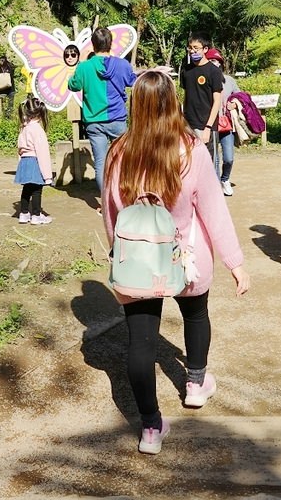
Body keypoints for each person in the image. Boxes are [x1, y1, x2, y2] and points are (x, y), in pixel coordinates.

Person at [102, 70, 250, 455]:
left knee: (140, 342)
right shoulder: (191, 149)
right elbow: (214, 210)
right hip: (186, 256)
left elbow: (111, 213)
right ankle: (196, 385)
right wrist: (235, 262)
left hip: (137, 260)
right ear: (174, 103)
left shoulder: (119, 152)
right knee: (196, 315)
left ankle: (151, 427)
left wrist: (118, 254)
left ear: (134, 105)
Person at [68, 27, 137, 193]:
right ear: (111, 44)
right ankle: (122, 197)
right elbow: (132, 81)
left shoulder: (84, 67)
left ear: (93, 45)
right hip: (117, 120)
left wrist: (82, 61)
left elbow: (73, 85)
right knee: (122, 160)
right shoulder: (122, 64)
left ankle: (105, 203)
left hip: (93, 122)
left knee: (100, 163)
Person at [181, 32, 224, 161]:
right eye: (190, 48)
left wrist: (208, 127)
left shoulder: (214, 71)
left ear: (205, 49)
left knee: (209, 162)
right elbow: (186, 96)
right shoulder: (185, 70)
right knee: (190, 161)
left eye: (196, 48)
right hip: (188, 125)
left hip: (206, 125)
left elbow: (217, 101)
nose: (192, 51)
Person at [14, 97, 53, 225]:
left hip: (24, 161)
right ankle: (36, 215)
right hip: (34, 161)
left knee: (27, 189)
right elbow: (43, 153)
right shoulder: (37, 130)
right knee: (37, 190)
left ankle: (24, 213)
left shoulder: (24, 128)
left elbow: (20, 148)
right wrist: (48, 176)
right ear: (39, 114)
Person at [206, 48, 238, 195]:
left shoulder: (229, 81)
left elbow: (241, 96)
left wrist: (235, 103)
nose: (215, 63)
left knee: (228, 157)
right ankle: (215, 184)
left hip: (227, 123)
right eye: (212, 60)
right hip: (210, 124)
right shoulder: (203, 80)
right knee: (214, 158)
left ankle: (225, 179)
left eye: (217, 61)